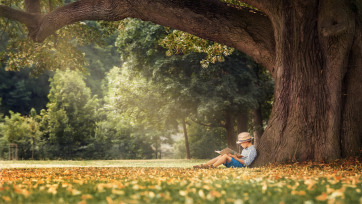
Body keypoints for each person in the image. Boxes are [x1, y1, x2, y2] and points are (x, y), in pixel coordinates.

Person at [193, 132, 257, 169]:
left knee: (225, 156)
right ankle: (204, 165)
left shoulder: (252, 150)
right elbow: (242, 158)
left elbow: (247, 163)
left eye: (241, 143)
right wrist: (234, 156)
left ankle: (212, 167)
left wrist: (235, 158)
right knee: (222, 155)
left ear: (246, 142)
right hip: (239, 163)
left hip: (242, 166)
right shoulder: (245, 149)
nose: (240, 145)